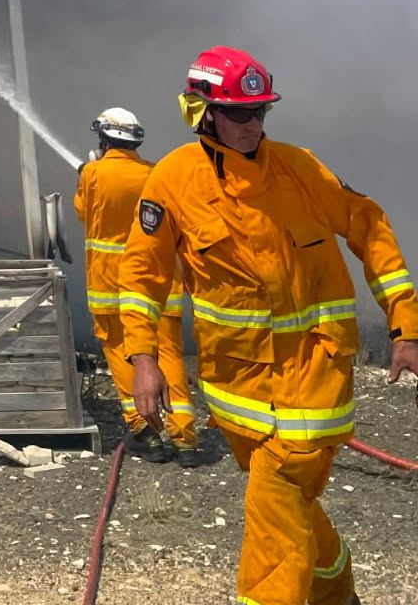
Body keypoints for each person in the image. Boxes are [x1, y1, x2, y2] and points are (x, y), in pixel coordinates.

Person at [122, 45, 418, 605]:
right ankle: (338, 594)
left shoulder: (301, 169)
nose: (253, 124)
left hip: (314, 378)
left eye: (260, 112)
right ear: (203, 112)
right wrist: (143, 359)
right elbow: (141, 276)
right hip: (236, 388)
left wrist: (405, 325)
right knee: (289, 506)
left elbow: (370, 227)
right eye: (239, 113)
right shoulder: (172, 181)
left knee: (277, 504)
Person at [74, 105, 199, 463]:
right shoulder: (157, 173)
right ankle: (185, 440)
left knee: (123, 353)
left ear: (103, 140)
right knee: (168, 356)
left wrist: (84, 173)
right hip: (160, 285)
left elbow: (83, 212)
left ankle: (146, 433)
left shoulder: (94, 173)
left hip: (111, 285)